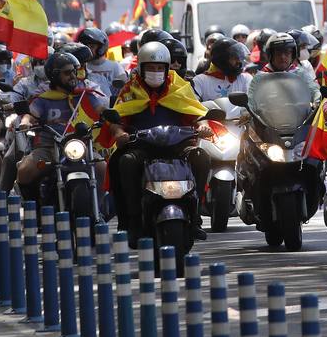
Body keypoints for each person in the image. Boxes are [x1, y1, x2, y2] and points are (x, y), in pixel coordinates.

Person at [105, 41, 211, 245]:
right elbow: (117, 120)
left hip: (178, 145)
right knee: (124, 161)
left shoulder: (179, 86)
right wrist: (119, 133)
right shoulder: (130, 89)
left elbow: (196, 113)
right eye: (151, 68)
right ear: (141, 68)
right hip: (142, 146)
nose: (156, 72)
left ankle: (195, 216)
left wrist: (203, 126)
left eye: (160, 68)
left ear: (167, 68)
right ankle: (133, 221)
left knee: (201, 157)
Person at [15, 50, 109, 194]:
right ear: (55, 76)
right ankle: (32, 208)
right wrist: (26, 122)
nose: (73, 76)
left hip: (80, 146)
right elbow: (31, 115)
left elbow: (100, 109)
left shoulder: (85, 95)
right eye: (67, 73)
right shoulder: (44, 99)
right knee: (24, 170)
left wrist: (109, 113)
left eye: (74, 71)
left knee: (102, 166)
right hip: (49, 148)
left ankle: (100, 209)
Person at [193, 38, 253, 103]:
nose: (239, 61)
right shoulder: (200, 81)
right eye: (234, 58)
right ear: (222, 59)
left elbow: (253, 104)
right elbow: (192, 105)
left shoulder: (245, 79)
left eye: (239, 57)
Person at [79, 26, 125, 97]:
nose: (88, 50)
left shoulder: (114, 67)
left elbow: (123, 88)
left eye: (92, 46)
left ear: (101, 47)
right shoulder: (81, 67)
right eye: (86, 47)